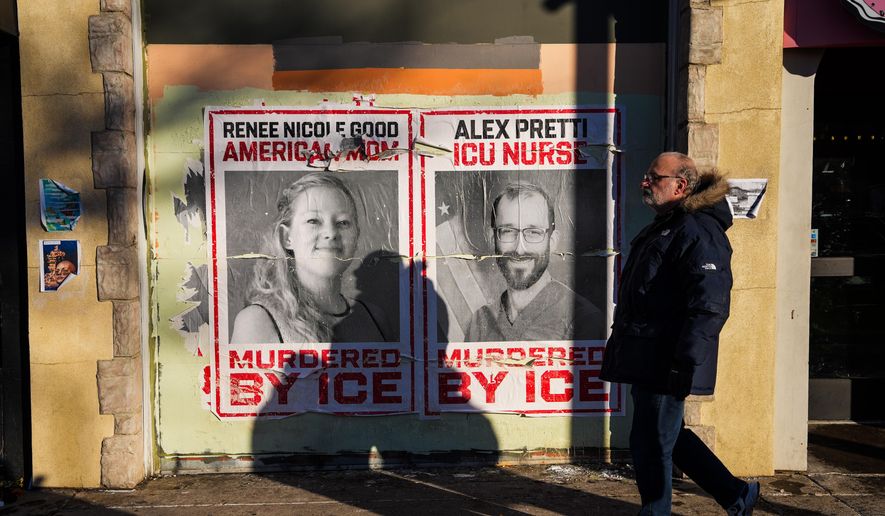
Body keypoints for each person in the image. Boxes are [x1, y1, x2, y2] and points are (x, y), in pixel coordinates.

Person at [600, 152, 759, 514]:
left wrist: (684, 361)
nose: (645, 182)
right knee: (669, 436)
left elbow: (710, 304)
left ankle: (655, 511)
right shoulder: (669, 224)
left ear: (680, 186)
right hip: (649, 357)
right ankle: (736, 494)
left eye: (653, 177)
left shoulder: (696, 231)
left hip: (667, 358)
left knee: (652, 442)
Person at [230, 173, 391, 343]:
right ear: (287, 238)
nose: (330, 233)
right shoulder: (258, 322)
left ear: (356, 235)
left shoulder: (374, 318)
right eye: (313, 221)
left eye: (343, 223)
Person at [464, 182, 603, 341]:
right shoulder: (480, 323)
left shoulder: (584, 320)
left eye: (533, 233)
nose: (520, 249)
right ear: (492, 238)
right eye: (508, 231)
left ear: (552, 241)